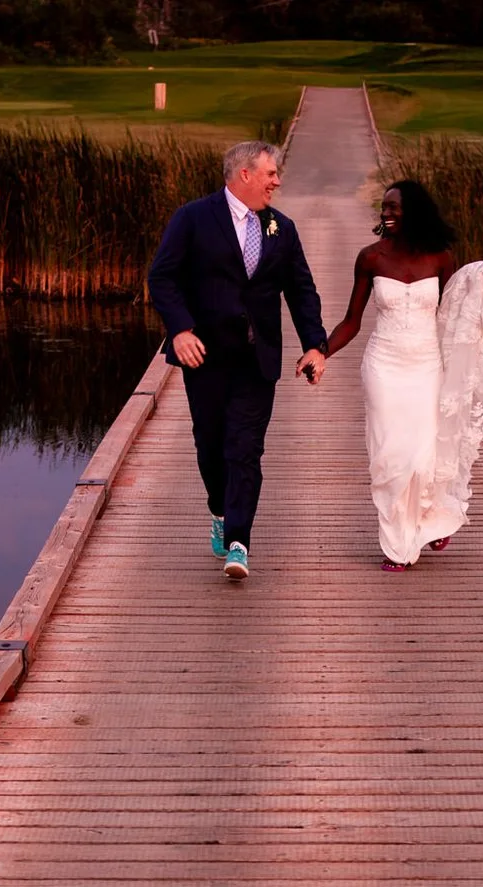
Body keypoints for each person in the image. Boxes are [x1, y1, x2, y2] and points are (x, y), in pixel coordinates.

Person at [317, 179, 483, 571]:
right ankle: (398, 546)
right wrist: (321, 351)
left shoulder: (440, 257)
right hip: (383, 365)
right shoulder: (370, 258)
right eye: (384, 207)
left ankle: (429, 519)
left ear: (413, 211)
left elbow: (452, 311)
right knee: (390, 456)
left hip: (427, 366)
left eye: (394, 207)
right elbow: (351, 321)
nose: (386, 213)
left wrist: (479, 280)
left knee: (424, 454)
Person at [146, 139, 330, 582]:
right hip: (204, 356)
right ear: (244, 174)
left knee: (244, 449)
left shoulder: (281, 229)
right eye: (271, 174)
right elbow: (162, 276)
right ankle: (218, 509)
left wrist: (316, 345)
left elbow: (301, 291)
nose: (277, 182)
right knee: (210, 445)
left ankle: (239, 541)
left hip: (257, 359)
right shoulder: (192, 218)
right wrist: (180, 329)